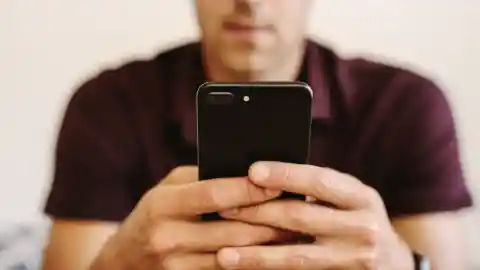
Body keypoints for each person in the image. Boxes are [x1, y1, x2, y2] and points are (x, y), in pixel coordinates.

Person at [41, 0, 473, 269]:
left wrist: (400, 265)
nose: (250, 2)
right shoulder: (108, 103)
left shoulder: (406, 103)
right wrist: (117, 266)